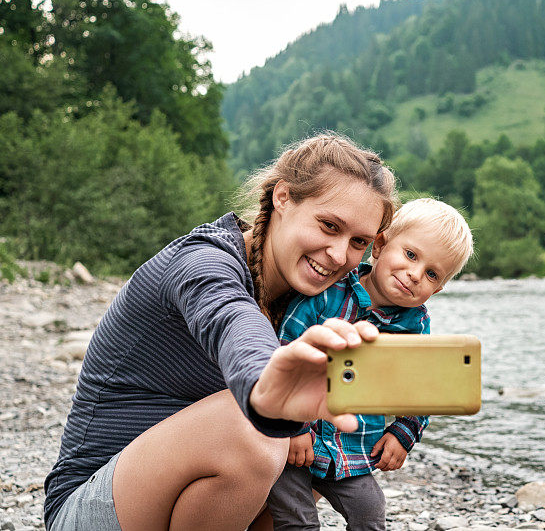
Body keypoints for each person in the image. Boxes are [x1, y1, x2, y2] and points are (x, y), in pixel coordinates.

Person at [43, 133, 399, 531]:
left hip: (181, 505)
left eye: (359, 242)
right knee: (253, 430)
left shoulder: (310, 303)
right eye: (329, 225)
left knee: (319, 445)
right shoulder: (204, 261)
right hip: (92, 509)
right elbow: (231, 320)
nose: (339, 255)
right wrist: (271, 383)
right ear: (283, 197)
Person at [265, 198, 474, 530]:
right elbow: (284, 352)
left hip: (352, 453)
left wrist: (403, 433)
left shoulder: (416, 326)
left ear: (439, 288)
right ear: (380, 245)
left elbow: (424, 390)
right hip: (294, 443)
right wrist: (295, 428)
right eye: (410, 255)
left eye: (432, 274)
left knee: (371, 511)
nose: (415, 274)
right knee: (299, 521)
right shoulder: (325, 295)